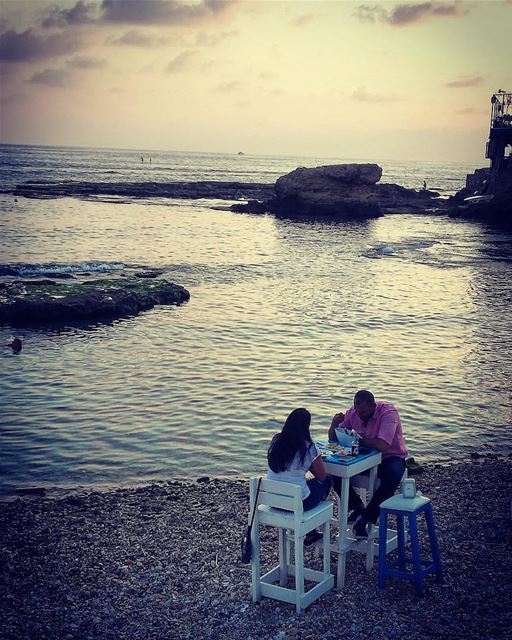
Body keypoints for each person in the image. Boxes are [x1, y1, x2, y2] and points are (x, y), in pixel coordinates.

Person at [328, 390, 407, 539]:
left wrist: (355, 440)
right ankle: (357, 506)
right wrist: (334, 425)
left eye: (363, 411)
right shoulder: (353, 413)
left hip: (391, 457)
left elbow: (382, 445)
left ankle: (366, 518)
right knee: (336, 471)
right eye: (357, 411)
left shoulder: (388, 413)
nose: (359, 415)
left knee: (392, 476)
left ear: (373, 406)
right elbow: (334, 439)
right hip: (365, 456)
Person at [267, 408, 332, 545]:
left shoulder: (276, 442)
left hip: (274, 500)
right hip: (297, 504)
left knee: (302, 485)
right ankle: (310, 529)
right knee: (327, 482)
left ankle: (311, 532)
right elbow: (321, 476)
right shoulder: (308, 448)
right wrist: (309, 464)